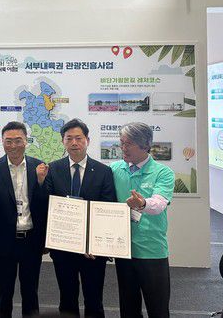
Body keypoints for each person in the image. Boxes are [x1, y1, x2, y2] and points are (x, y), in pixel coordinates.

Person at [42, 118, 116, 317]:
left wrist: (95, 244)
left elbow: (107, 209)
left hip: (92, 251)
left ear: (87, 140)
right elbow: (46, 205)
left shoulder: (103, 171)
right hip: (63, 246)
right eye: (69, 139)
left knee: (94, 299)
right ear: (63, 141)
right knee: (67, 298)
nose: (74, 143)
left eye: (79, 138)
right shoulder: (53, 169)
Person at [111, 123, 174, 318]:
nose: (123, 148)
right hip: (124, 250)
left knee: (158, 309)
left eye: (128, 144)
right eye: (121, 143)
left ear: (145, 146)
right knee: (128, 309)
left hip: (151, 250)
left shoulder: (162, 173)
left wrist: (143, 203)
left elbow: (159, 204)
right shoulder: (114, 169)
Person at [0, 121, 47, 317]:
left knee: (31, 293)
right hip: (5, 241)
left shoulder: (39, 166)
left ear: (26, 141)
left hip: (31, 239)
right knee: (4, 292)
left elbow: (45, 205)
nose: (13, 146)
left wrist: (41, 183)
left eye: (18, 140)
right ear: (2, 142)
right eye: (8, 141)